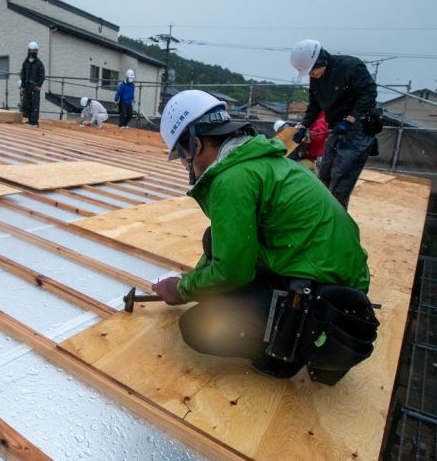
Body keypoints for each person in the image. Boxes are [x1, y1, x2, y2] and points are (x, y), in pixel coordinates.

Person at [149, 90, 378, 385]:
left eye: (182, 155)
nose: (185, 165)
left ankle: (284, 352)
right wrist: (193, 281)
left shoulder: (231, 181)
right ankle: (280, 320)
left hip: (324, 302)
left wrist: (182, 289)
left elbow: (232, 271)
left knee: (198, 327)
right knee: (214, 239)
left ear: (196, 143)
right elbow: (223, 249)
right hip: (331, 275)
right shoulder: (257, 162)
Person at [290, 39, 382, 208]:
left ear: (321, 61)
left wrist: (350, 119)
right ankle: (321, 213)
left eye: (312, 71)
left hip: (359, 127)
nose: (311, 75)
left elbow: (369, 93)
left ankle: (336, 222)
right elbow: (314, 106)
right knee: (325, 173)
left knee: (341, 178)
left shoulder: (350, 66)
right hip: (337, 126)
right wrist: (304, 127)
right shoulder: (317, 77)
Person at [19, 41, 45, 127]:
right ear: (29, 51)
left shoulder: (39, 63)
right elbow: (23, 74)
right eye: (32, 50)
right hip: (27, 86)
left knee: (35, 103)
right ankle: (30, 120)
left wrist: (39, 85)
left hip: (35, 87)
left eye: (35, 50)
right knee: (27, 103)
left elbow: (42, 75)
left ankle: (34, 122)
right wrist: (22, 85)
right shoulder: (25, 62)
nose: (34, 52)